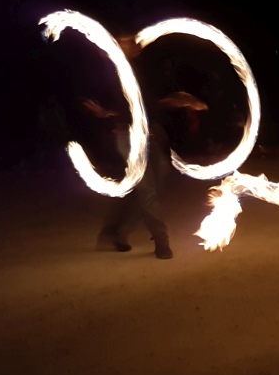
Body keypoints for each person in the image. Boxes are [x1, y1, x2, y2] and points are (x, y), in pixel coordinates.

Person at [86, 90, 208, 259]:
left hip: (153, 135)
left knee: (150, 190)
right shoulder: (116, 72)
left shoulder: (146, 68)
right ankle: (161, 242)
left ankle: (120, 230)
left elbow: (151, 102)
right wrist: (105, 111)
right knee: (148, 191)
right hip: (129, 137)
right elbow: (125, 104)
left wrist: (179, 100)